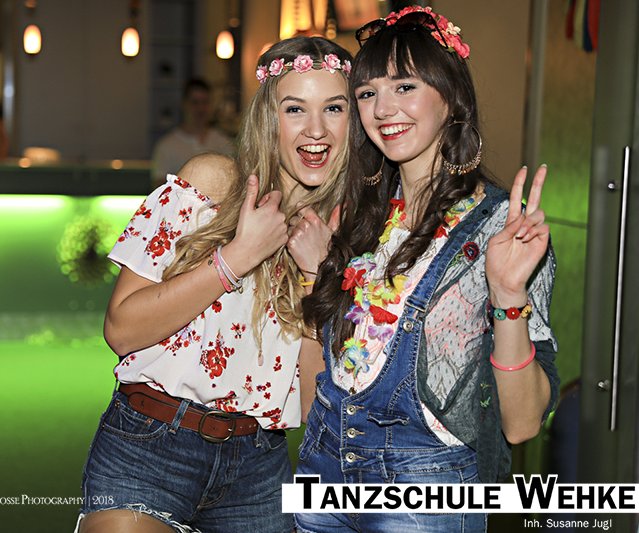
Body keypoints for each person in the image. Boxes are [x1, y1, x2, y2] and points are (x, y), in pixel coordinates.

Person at [295, 6, 560, 533]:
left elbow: (523, 424)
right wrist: (318, 274)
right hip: (322, 470)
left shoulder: (498, 229)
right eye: (367, 93)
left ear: (450, 97)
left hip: (424, 490)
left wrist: (508, 292)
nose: (382, 109)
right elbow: (327, 378)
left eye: (405, 86)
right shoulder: (358, 218)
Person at [76, 36, 353, 533]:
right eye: (295, 108)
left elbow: (313, 406)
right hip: (151, 443)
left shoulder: (343, 236)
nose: (316, 129)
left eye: (334, 108)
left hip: (259, 467)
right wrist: (238, 256)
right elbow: (121, 329)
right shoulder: (212, 183)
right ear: (269, 118)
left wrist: (316, 278)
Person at [150, 78, 235, 189]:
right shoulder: (167, 145)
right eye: (195, 102)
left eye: (205, 102)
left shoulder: (223, 142)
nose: (201, 108)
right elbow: (159, 188)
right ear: (184, 104)